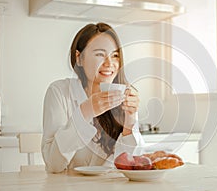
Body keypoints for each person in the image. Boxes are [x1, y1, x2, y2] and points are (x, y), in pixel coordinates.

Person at [42, 22, 144, 173]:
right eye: (100, 54)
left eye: (115, 55)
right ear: (79, 58)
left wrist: (129, 126)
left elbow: (130, 166)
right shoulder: (59, 92)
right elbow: (54, 165)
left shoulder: (125, 96)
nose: (109, 63)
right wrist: (85, 112)